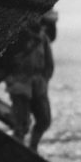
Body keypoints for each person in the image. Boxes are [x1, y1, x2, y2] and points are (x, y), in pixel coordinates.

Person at [4, 14, 55, 152]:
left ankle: (33, 148)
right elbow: (6, 62)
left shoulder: (43, 38)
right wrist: (11, 81)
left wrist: (43, 81)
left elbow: (49, 65)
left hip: (38, 84)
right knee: (21, 124)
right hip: (20, 83)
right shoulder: (18, 35)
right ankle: (17, 152)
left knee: (44, 119)